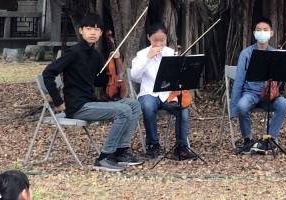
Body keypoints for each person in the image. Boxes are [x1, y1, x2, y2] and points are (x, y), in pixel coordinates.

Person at [42, 13, 144, 172]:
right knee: (123, 110)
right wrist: (58, 102)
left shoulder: (95, 55)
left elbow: (98, 81)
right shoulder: (73, 52)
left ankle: (120, 152)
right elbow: (48, 73)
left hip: (90, 101)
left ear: (101, 33)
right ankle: (104, 157)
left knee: (134, 104)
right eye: (88, 28)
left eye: (97, 29)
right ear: (81, 30)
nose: (92, 32)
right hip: (77, 106)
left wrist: (114, 62)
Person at [130, 22, 196, 161]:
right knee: (148, 108)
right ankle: (153, 145)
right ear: (149, 37)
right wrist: (148, 57)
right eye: (155, 40)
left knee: (183, 109)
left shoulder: (171, 53)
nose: (159, 43)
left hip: (168, 94)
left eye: (162, 40)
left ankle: (181, 147)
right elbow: (134, 75)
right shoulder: (141, 54)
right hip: (149, 93)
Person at [230, 16, 286, 154]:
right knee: (242, 106)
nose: (262, 33)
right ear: (254, 33)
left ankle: (269, 139)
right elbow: (239, 81)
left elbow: (279, 82)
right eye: (259, 30)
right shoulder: (246, 53)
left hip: (268, 95)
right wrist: (234, 106)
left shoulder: (275, 53)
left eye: (265, 30)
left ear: (271, 33)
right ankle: (247, 139)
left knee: (283, 104)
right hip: (250, 93)